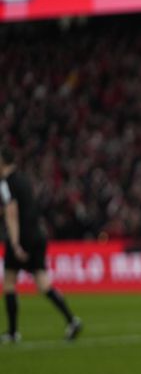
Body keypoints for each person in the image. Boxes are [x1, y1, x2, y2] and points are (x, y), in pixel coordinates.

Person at [0, 147, 82, 343]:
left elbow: (12, 213)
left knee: (9, 282)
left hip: (22, 237)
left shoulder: (5, 183)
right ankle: (72, 320)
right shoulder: (24, 180)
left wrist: (14, 243)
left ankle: (12, 332)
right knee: (43, 283)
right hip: (38, 235)